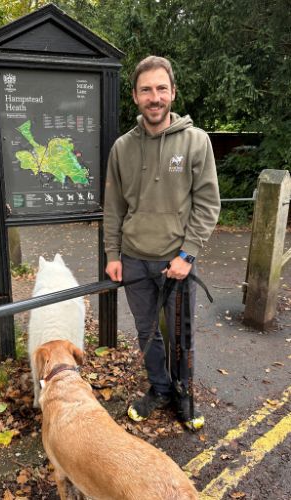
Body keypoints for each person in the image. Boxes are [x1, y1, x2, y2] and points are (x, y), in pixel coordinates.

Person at [103, 55, 220, 429]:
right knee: (146, 332)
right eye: (146, 90)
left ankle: (184, 394)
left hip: (176, 261)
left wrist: (188, 254)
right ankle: (160, 388)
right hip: (134, 259)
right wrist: (112, 254)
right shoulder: (122, 147)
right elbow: (114, 206)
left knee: (180, 333)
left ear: (173, 92)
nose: (155, 97)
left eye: (161, 89)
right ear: (135, 96)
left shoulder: (196, 141)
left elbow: (207, 203)